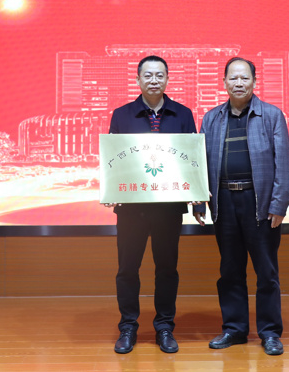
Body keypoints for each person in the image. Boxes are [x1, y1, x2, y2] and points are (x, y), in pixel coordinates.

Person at [193, 57, 289, 356]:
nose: (239, 83)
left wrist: (279, 204)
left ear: (254, 81)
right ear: (224, 82)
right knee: (230, 270)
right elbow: (198, 164)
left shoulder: (271, 115)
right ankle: (234, 329)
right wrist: (199, 201)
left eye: (244, 78)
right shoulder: (211, 118)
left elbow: (283, 164)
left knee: (266, 272)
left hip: (259, 203)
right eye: (233, 78)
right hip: (223, 202)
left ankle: (270, 333)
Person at [104, 55, 197, 355]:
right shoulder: (122, 115)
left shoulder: (183, 114)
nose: (154, 80)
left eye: (159, 75)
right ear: (138, 80)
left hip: (168, 209)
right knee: (127, 269)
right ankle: (128, 327)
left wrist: (198, 198)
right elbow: (114, 158)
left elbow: (192, 160)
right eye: (148, 75)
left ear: (167, 79)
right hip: (131, 208)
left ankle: (164, 327)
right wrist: (110, 188)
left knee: (167, 269)